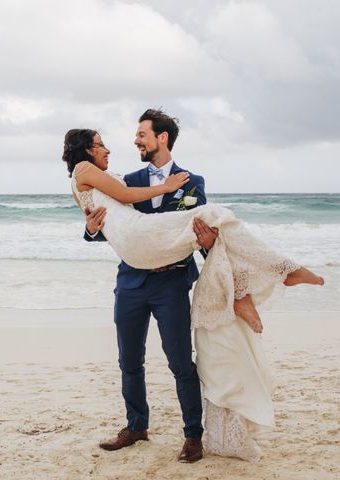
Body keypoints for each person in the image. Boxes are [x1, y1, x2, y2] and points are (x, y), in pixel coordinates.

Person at [64, 110, 323, 462]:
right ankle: (136, 426)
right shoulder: (128, 178)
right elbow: (116, 226)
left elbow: (200, 237)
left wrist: (209, 247)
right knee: (129, 361)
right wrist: (91, 229)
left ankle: (193, 436)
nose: (134, 141)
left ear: (162, 138)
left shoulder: (192, 181)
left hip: (171, 281)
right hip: (132, 281)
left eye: (142, 134)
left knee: (181, 363)